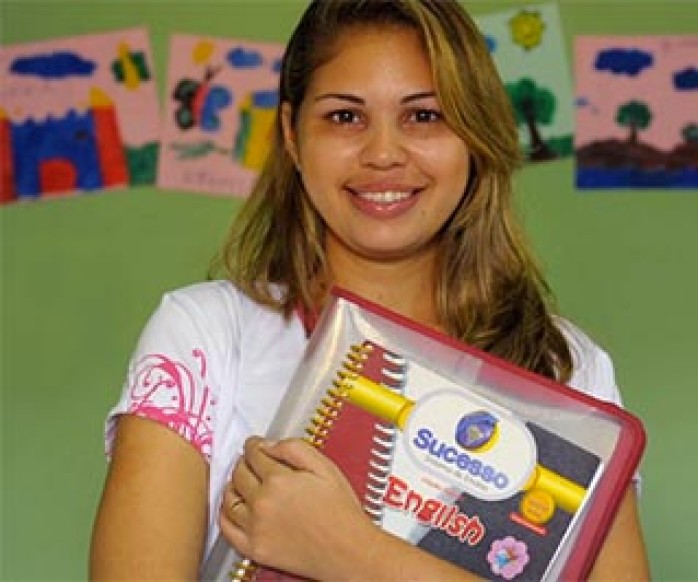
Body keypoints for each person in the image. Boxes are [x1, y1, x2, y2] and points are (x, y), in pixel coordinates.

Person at [89, 0, 650, 579]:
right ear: (290, 133)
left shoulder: (565, 370)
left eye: (425, 116)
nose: (383, 153)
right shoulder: (206, 336)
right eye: (344, 117)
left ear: (475, 134)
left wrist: (349, 551)